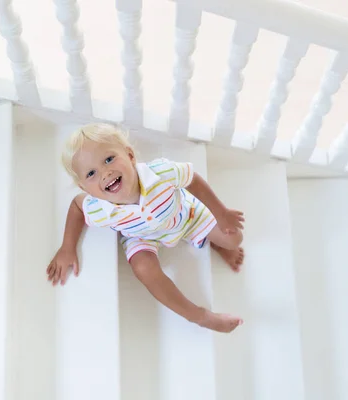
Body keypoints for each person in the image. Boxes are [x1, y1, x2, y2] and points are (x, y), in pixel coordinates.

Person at [47, 123, 245, 333]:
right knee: (143, 269)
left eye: (109, 159)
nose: (105, 173)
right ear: (84, 188)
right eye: (91, 174)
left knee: (234, 238)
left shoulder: (160, 173)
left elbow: (192, 180)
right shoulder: (100, 208)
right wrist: (67, 247)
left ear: (130, 156)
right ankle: (199, 316)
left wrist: (221, 213)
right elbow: (77, 207)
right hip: (141, 236)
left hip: (184, 215)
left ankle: (215, 243)